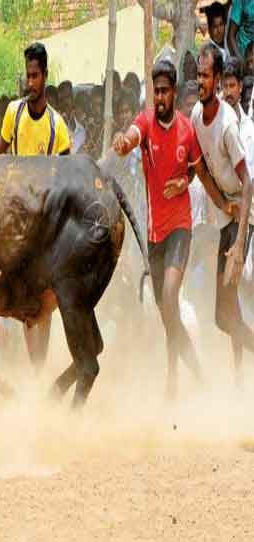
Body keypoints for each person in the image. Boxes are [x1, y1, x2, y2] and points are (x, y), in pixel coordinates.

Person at [112, 59, 205, 398]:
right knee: (165, 314)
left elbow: (196, 169)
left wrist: (184, 181)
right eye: (157, 91)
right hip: (155, 235)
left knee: (169, 297)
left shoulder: (186, 130)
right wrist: (123, 143)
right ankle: (184, 371)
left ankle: (182, 375)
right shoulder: (146, 123)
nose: (161, 97)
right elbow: (132, 136)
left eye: (166, 91)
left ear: (174, 92)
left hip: (181, 226)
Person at [0, 42, 71, 370]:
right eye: (27, 76)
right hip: (16, 219)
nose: (30, 83)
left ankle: (38, 367)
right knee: (27, 301)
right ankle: (34, 368)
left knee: (47, 297)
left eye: (35, 76)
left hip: (46, 223)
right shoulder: (13, 113)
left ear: (45, 76)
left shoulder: (58, 126)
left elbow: (67, 178)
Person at [191, 43, 254, 384]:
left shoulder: (229, 126)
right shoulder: (197, 118)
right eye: (197, 75)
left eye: (204, 76)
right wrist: (219, 204)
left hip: (243, 216)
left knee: (226, 310)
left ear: (217, 81)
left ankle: (241, 376)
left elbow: (248, 184)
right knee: (222, 316)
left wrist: (240, 240)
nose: (199, 81)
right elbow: (199, 170)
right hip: (227, 214)